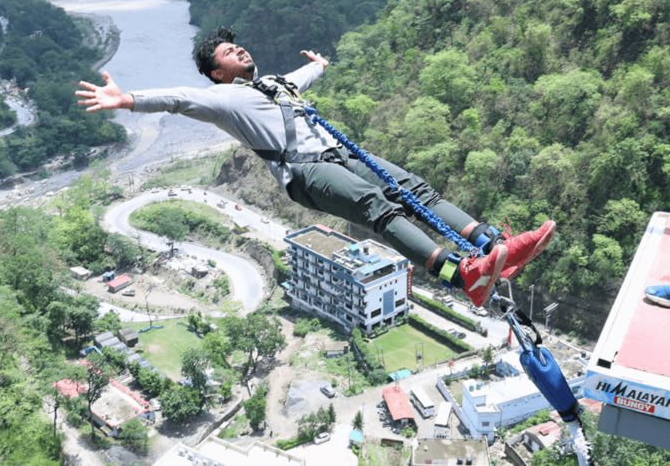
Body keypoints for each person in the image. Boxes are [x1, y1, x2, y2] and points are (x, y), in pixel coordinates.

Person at [75, 27, 555, 307]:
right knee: (377, 208)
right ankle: (461, 275)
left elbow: (302, 76)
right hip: (306, 172)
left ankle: (493, 246)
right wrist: (127, 100)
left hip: (341, 154)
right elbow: (178, 99)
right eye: (227, 52)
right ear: (216, 71)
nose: (239, 51)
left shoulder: (279, 83)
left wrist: (319, 65)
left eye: (238, 46)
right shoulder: (220, 98)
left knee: (415, 191)